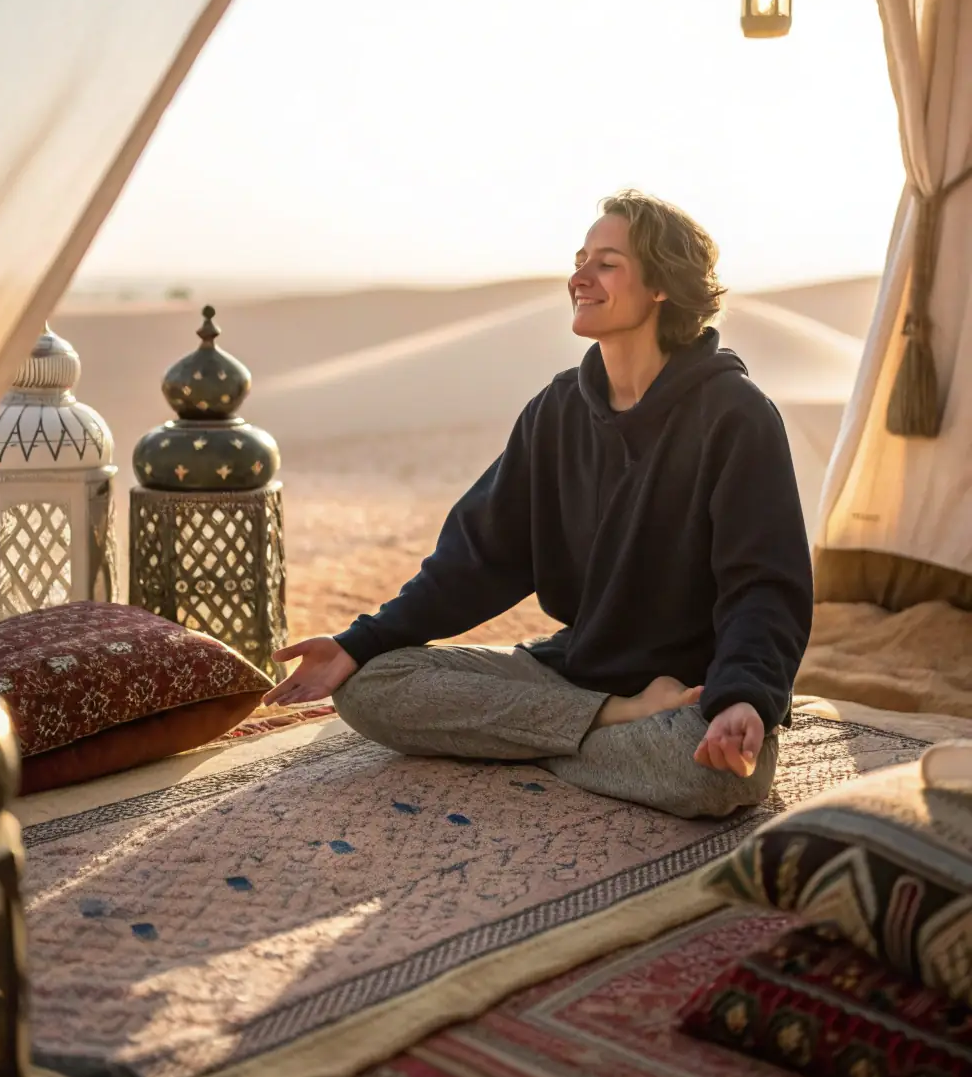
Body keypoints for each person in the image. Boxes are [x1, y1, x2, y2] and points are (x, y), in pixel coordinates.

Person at [264, 189, 814, 818]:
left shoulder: (736, 416)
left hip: (694, 696)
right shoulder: (556, 412)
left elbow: (765, 585)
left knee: (721, 783)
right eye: (580, 257)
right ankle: (613, 720)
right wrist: (362, 640)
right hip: (575, 676)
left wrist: (745, 696)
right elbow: (477, 557)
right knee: (369, 687)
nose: (579, 276)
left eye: (606, 262)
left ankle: (528, 739)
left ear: (662, 283)